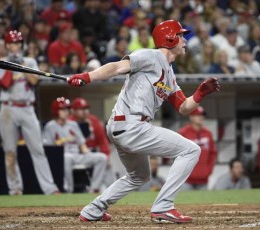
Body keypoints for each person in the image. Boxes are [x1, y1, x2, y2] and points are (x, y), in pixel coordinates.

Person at [67, 20, 220, 223]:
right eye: (181, 35)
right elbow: (116, 67)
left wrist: (200, 94)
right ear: (170, 38)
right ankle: (163, 207)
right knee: (191, 150)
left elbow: (183, 107)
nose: (185, 40)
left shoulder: (169, 73)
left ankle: (93, 210)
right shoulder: (150, 55)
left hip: (124, 126)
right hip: (132, 125)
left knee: (139, 176)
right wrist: (87, 76)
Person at [0, 30, 59, 195]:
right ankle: (15, 189)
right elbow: (5, 85)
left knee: (38, 149)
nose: (16, 46)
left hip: (28, 108)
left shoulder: (29, 61)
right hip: (8, 108)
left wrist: (22, 65)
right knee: (9, 151)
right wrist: (10, 65)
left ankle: (50, 188)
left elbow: (34, 81)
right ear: (7, 45)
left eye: (18, 43)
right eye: (13, 43)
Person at [42, 97, 107, 193]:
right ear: (56, 111)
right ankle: (69, 190)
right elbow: (48, 148)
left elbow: (82, 144)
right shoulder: (50, 126)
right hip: (61, 158)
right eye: (63, 109)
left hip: (77, 155)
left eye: (67, 109)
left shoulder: (73, 125)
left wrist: (87, 152)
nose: (66, 112)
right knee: (66, 157)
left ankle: (94, 189)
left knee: (102, 158)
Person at [69, 97, 116, 187]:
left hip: (90, 153)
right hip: (74, 153)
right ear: (74, 110)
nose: (85, 111)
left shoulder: (93, 120)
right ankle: (67, 190)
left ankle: (98, 189)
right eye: (81, 109)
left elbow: (102, 140)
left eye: (86, 108)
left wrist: (107, 154)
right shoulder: (69, 122)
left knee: (105, 160)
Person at [178, 106, 217, 190]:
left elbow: (213, 154)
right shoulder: (183, 133)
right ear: (191, 117)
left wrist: (208, 170)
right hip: (186, 179)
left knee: (203, 202)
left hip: (204, 179)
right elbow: (177, 154)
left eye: (202, 115)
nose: (201, 117)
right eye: (198, 115)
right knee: (185, 203)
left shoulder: (208, 133)